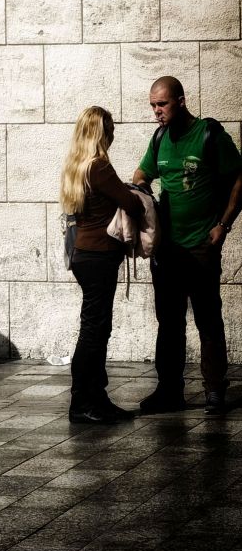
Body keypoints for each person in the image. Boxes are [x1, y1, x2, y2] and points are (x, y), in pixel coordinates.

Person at [133, 76, 242, 416]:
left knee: (208, 319)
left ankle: (215, 390)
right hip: (168, 250)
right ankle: (169, 390)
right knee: (169, 322)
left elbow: (239, 178)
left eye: (162, 104)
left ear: (180, 101)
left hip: (200, 247)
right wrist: (141, 189)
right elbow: (142, 173)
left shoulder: (209, 134)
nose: (157, 111)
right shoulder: (160, 138)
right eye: (153, 105)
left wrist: (224, 225)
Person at [60, 106, 144, 424]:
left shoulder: (76, 166)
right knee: (94, 331)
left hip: (84, 254)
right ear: (101, 132)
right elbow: (131, 203)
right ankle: (83, 402)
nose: (113, 134)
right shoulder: (99, 167)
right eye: (110, 128)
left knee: (96, 328)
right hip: (99, 256)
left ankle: (97, 397)